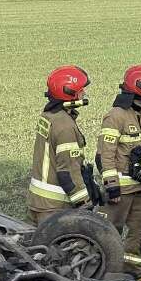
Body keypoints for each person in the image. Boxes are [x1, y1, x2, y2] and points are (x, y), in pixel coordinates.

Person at [96, 65, 141, 281]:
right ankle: (103, 274)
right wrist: (111, 186)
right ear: (140, 89)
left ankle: (133, 272)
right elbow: (105, 154)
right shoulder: (115, 116)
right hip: (121, 190)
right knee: (109, 232)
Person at [28, 65, 94, 225]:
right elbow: (68, 171)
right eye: (80, 91)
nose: (83, 93)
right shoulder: (65, 126)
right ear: (69, 93)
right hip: (54, 207)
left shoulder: (49, 115)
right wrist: (84, 202)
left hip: (38, 201)